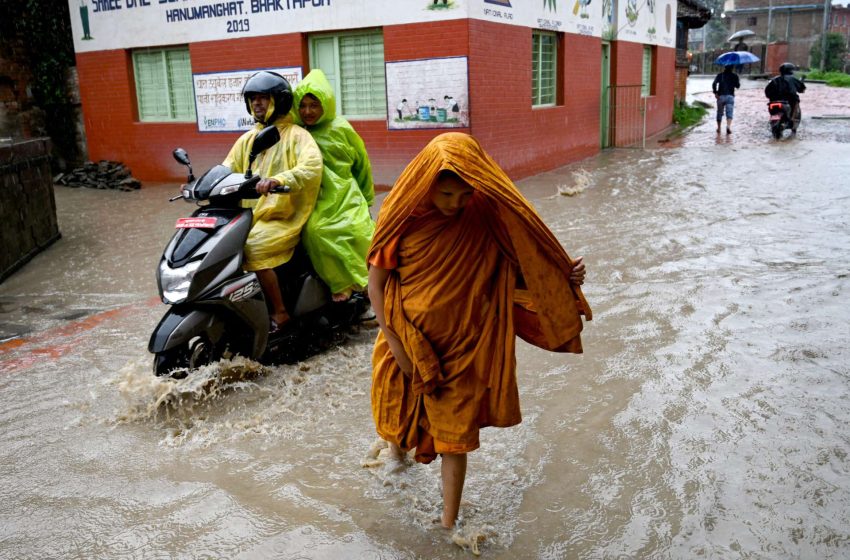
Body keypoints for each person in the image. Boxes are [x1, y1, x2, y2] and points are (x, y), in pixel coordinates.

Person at [367, 132, 591, 529]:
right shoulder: (401, 216)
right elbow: (377, 283)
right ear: (427, 183)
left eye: (464, 195)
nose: (456, 205)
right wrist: (397, 343)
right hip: (406, 336)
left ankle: (448, 523)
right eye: (447, 195)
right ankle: (395, 463)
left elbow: (521, 261)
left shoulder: (486, 213)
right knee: (398, 412)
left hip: (465, 343)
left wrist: (563, 275)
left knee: (454, 433)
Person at [224, 70, 323, 331]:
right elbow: (226, 168)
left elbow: (312, 168)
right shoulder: (247, 139)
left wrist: (278, 180)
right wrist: (200, 184)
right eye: (253, 98)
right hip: (251, 216)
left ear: (278, 101)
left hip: (283, 215)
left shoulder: (296, 135)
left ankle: (280, 312)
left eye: (263, 98)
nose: (257, 103)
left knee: (253, 248)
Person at [291, 69, 376, 303]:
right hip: (314, 197)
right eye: (303, 105)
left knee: (359, 231)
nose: (308, 111)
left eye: (314, 105)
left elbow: (361, 164)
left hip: (345, 192)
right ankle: (341, 283)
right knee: (316, 232)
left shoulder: (342, 128)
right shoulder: (297, 132)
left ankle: (370, 283)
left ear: (325, 104)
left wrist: (367, 198)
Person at [765, 62, 806, 133]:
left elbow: (767, 92)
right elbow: (801, 88)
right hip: (789, 101)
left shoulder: (774, 79)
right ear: (790, 70)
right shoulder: (793, 79)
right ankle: (791, 119)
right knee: (795, 102)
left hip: (773, 102)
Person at [712, 65, 740, 134]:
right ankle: (728, 126)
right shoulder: (735, 76)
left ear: (725, 68)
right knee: (729, 112)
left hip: (720, 96)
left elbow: (714, 84)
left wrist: (715, 92)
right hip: (730, 96)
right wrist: (737, 79)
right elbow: (738, 86)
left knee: (719, 112)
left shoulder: (720, 75)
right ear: (732, 68)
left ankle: (719, 128)